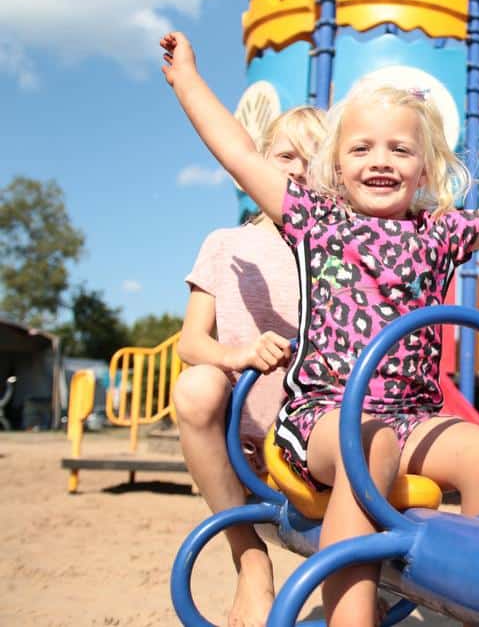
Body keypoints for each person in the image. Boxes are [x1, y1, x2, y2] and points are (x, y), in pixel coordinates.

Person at [161, 30, 479, 627]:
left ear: (427, 167)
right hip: (327, 414)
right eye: (361, 149)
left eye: (399, 150)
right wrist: (188, 81)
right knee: (368, 445)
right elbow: (234, 149)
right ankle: (351, 619)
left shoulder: (440, 233)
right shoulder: (316, 221)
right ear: (334, 166)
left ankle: (471, 610)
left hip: (412, 416)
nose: (380, 161)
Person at [172, 104, 327, 627]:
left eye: (314, 160)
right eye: (286, 156)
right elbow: (191, 342)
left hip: (320, 433)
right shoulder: (227, 244)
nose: (298, 170)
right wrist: (235, 354)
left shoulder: (336, 247)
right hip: (248, 435)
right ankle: (249, 562)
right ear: (261, 161)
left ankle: (351, 581)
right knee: (195, 388)